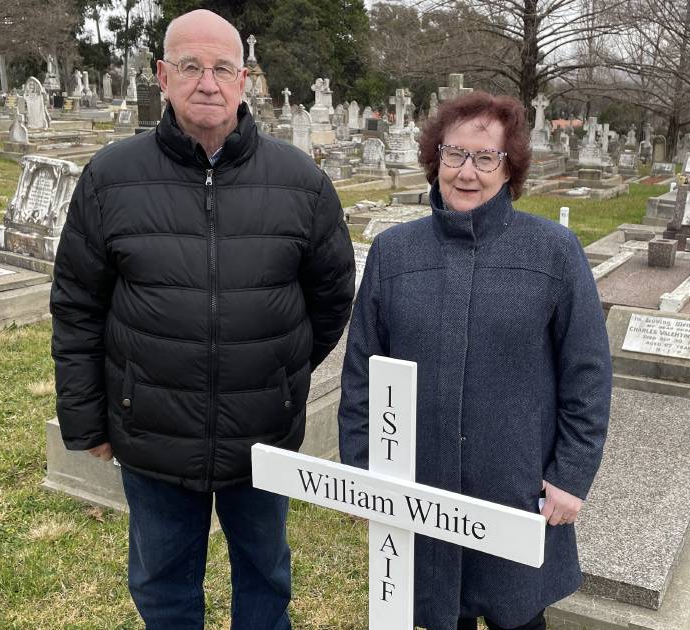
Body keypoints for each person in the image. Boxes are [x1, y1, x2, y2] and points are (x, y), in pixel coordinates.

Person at [50, 9, 355, 628]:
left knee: (266, 580)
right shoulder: (111, 178)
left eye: (222, 68)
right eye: (191, 66)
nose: (207, 82)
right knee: (164, 586)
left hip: (262, 435)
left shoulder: (301, 183)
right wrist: (89, 421)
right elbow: (78, 308)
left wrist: (280, 376)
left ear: (245, 79)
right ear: (163, 76)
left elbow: (330, 299)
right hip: (153, 431)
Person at [337, 91, 613, 630]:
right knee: (438, 612)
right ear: (434, 158)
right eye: (454, 154)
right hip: (422, 488)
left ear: (510, 168)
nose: (468, 172)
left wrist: (571, 475)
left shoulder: (553, 252)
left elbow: (588, 371)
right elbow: (362, 367)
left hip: (516, 484)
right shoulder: (395, 253)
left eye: (486, 157)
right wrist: (362, 466)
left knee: (518, 614)